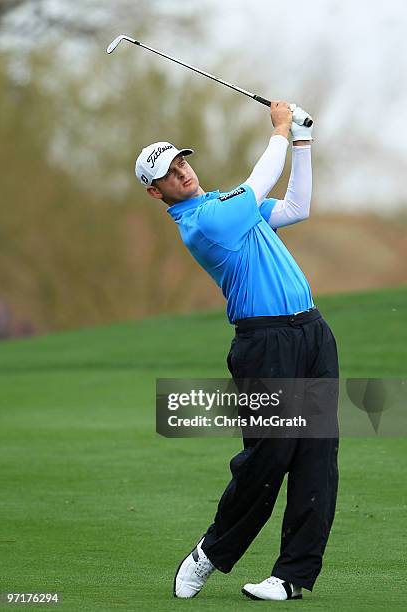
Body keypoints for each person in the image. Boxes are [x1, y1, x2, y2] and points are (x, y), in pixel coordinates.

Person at [135, 102, 339, 601]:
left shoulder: (229, 206)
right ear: (155, 191)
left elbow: (295, 209)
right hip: (264, 343)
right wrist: (281, 130)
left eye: (182, 162)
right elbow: (260, 181)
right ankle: (210, 554)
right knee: (269, 459)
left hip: (311, 332)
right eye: (169, 172)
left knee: (317, 456)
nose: (182, 171)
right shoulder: (204, 223)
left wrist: (304, 144)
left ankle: (292, 575)